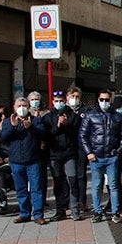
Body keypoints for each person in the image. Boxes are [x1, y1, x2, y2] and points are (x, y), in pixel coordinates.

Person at [80, 89, 122, 223]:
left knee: (114, 185)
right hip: (96, 157)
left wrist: (118, 150)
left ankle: (115, 212)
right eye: (102, 99)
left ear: (110, 100)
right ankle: (97, 212)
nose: (104, 102)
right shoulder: (90, 115)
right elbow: (83, 135)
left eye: (107, 100)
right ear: (98, 100)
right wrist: (89, 152)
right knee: (96, 185)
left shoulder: (117, 116)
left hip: (112, 157)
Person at [0, 97, 48, 224]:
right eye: (19, 106)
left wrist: (31, 127)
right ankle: (24, 213)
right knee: (21, 189)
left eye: (24, 105)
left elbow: (43, 134)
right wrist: (13, 127)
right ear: (15, 108)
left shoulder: (36, 120)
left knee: (36, 188)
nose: (22, 108)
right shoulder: (8, 121)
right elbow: (3, 138)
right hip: (16, 161)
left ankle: (38, 214)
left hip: (33, 160)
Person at [46, 91, 84, 220]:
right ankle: (60, 210)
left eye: (61, 100)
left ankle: (74, 209)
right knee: (58, 181)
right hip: (54, 154)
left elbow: (77, 134)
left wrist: (67, 126)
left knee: (73, 180)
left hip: (70, 153)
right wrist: (57, 126)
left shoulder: (73, 115)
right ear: (52, 102)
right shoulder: (48, 117)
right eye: (56, 101)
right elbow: (47, 135)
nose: (59, 103)